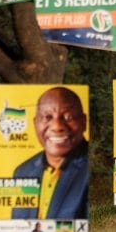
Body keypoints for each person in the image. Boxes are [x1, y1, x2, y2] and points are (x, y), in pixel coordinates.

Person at [11, 87, 88, 219]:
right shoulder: (22, 172)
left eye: (68, 117)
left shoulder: (90, 168)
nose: (57, 126)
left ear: (83, 122)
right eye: (47, 117)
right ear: (35, 124)